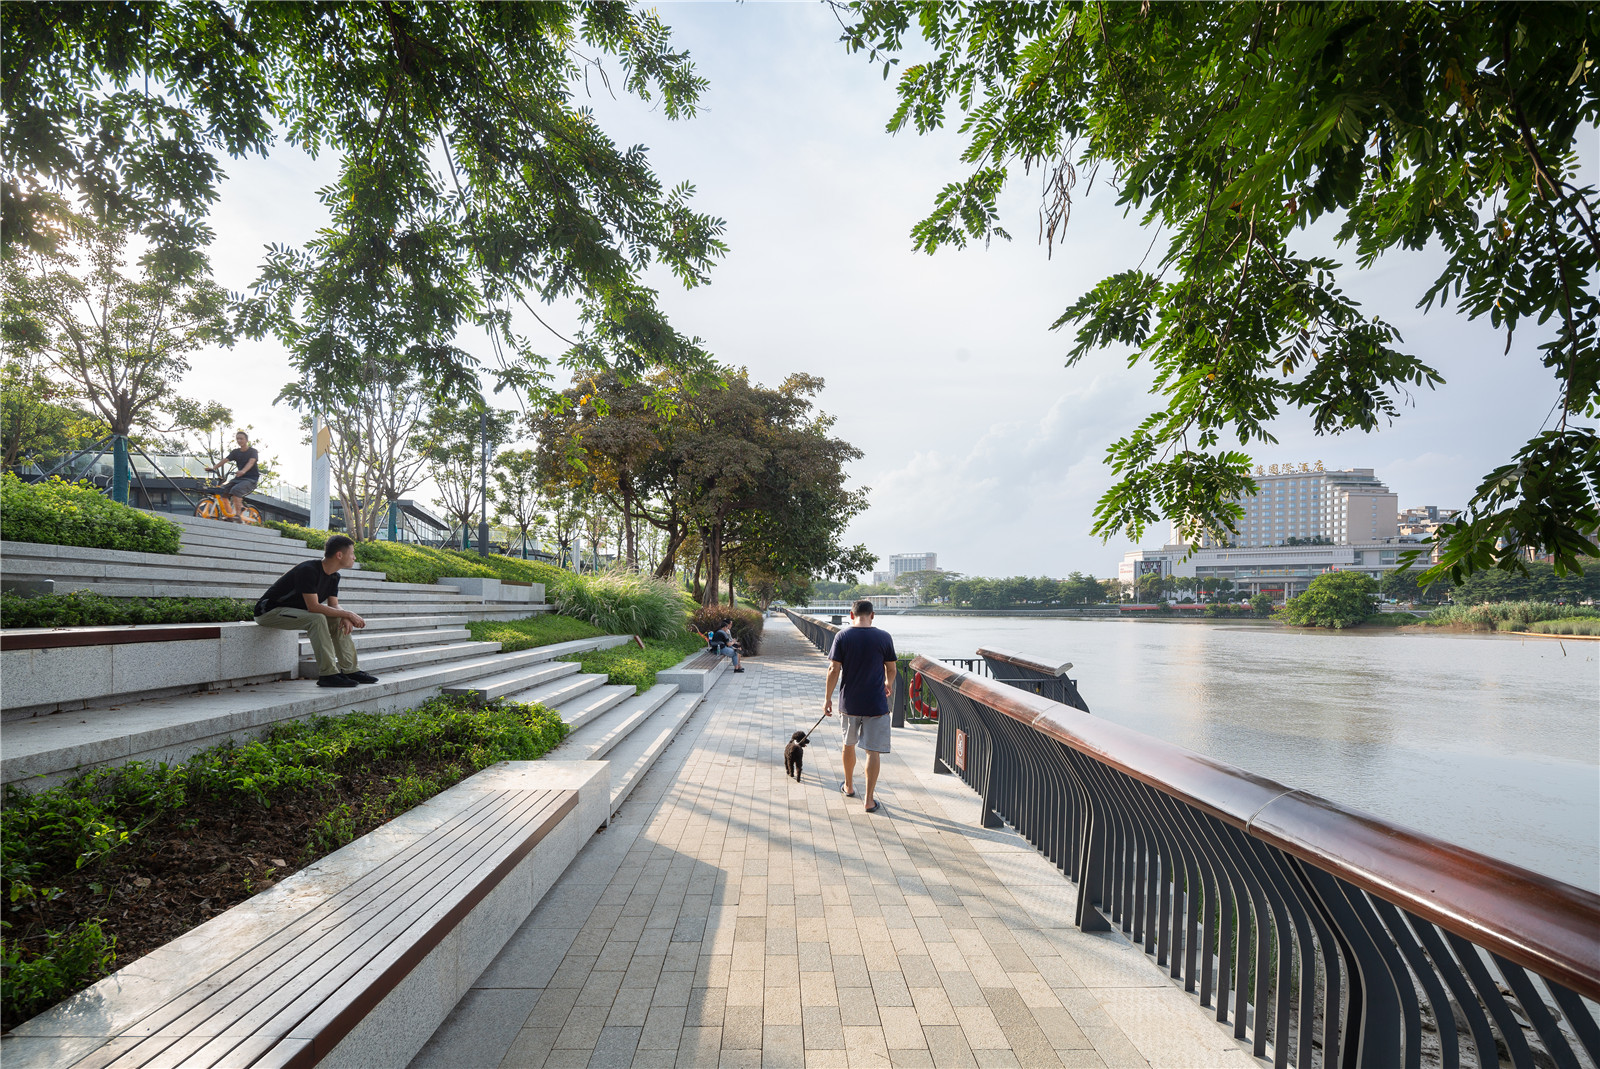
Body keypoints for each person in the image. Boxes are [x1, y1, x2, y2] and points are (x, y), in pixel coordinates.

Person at [253, 535, 377, 688]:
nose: (354, 557)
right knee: (317, 618)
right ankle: (328, 674)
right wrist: (348, 614)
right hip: (269, 612)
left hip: (294, 611)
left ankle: (351, 670)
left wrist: (344, 616)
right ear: (339, 555)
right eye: (352, 553)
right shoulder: (308, 570)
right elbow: (313, 607)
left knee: (338, 619)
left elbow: (334, 605)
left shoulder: (334, 576)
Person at [823, 599, 897, 813]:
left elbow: (833, 669)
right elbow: (891, 669)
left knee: (848, 745)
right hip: (876, 703)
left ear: (851, 614)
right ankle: (869, 800)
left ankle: (848, 786)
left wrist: (827, 698)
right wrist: (888, 684)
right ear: (872, 615)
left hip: (850, 702)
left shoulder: (842, 636)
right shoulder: (884, 637)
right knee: (872, 752)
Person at [204, 430, 259, 523]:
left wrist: (243, 471)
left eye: (241, 439)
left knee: (236, 490)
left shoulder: (253, 451)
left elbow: (251, 462)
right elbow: (225, 460)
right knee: (221, 491)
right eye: (237, 439)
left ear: (246, 440)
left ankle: (238, 515)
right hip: (239, 478)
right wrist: (213, 468)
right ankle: (229, 515)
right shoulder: (235, 452)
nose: (239, 440)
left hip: (251, 479)